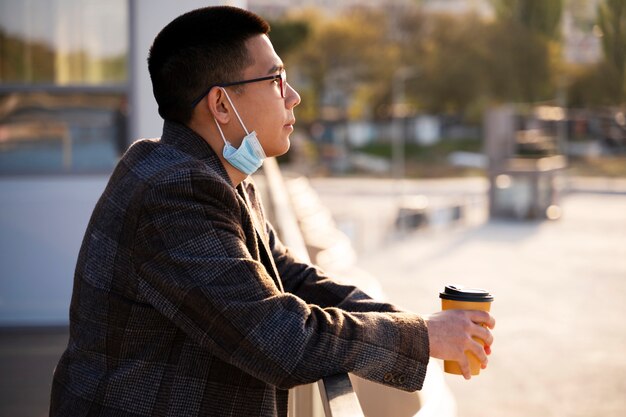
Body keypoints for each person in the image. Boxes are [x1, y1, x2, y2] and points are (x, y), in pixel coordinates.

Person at [49, 6, 495, 417]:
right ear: (221, 104)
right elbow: (279, 340)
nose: (293, 96)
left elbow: (290, 276)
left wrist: (414, 324)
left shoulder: (214, 173)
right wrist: (422, 337)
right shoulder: (173, 192)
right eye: (276, 79)